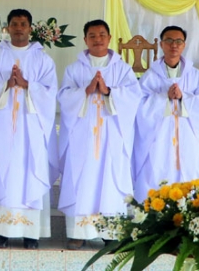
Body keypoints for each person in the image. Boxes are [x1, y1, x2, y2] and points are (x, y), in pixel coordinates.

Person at [0, 9, 58, 250]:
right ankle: (2, 231)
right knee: (3, 174)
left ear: (30, 28)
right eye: (14, 24)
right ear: (7, 28)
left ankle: (31, 232)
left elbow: (52, 93)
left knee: (29, 172)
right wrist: (5, 85)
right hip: (1, 126)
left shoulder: (43, 59)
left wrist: (27, 84)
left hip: (31, 128)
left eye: (23, 23)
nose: (19, 28)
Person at [57, 20, 142, 250]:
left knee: (110, 179)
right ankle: (78, 233)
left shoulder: (121, 68)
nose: (97, 39)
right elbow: (64, 98)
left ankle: (110, 233)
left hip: (111, 137)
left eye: (102, 34)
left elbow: (134, 97)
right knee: (82, 179)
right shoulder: (75, 69)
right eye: (92, 35)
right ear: (85, 40)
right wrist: (85, 91)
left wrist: (107, 91)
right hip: (83, 137)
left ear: (109, 37)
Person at [133, 26, 199, 202]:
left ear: (184, 45)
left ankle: (192, 212)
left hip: (188, 137)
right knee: (158, 170)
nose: (173, 45)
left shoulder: (195, 76)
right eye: (168, 40)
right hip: (159, 138)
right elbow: (139, 105)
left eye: (178, 41)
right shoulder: (150, 77)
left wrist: (184, 98)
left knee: (189, 173)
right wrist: (163, 98)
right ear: (161, 44)